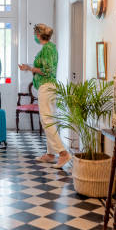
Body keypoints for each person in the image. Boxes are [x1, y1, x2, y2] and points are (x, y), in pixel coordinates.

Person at [19, 23, 71, 168]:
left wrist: (30, 68)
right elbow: (45, 69)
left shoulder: (47, 49)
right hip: (49, 86)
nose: (34, 37)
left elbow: (47, 71)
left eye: (35, 34)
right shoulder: (51, 48)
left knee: (46, 120)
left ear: (38, 35)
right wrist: (30, 69)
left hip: (46, 87)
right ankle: (50, 154)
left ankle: (63, 153)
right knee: (50, 119)